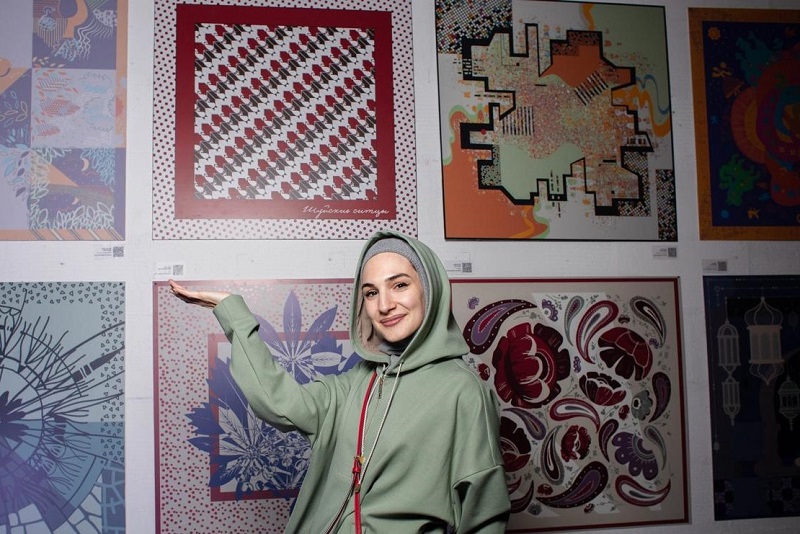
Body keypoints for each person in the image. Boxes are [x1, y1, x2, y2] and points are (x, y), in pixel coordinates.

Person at [170, 230, 510, 533]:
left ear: (429, 288)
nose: (385, 305)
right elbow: (276, 402)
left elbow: (485, 514)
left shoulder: (463, 390)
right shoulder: (358, 382)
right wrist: (235, 315)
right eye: (371, 292)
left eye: (400, 285)